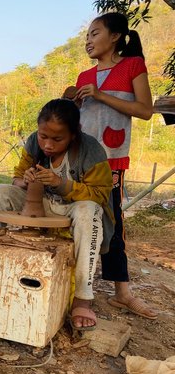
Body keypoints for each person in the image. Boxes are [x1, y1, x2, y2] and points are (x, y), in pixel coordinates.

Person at [0, 99, 114, 330]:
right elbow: (17, 176)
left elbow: (100, 196)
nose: (48, 144)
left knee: (89, 211)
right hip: (40, 203)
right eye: (44, 136)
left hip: (75, 208)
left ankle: (83, 297)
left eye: (57, 139)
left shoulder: (90, 151)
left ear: (74, 134)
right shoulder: (34, 142)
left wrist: (61, 183)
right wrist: (25, 181)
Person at [75, 12, 158, 320]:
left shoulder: (133, 66)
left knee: (112, 223)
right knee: (77, 217)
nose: (88, 40)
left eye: (94, 34)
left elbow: (145, 110)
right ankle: (76, 285)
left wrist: (101, 95)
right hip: (81, 159)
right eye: (87, 36)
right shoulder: (83, 77)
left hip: (111, 161)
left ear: (115, 37)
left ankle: (122, 293)